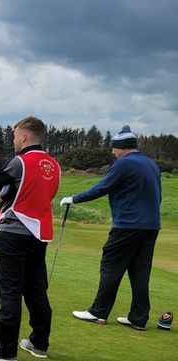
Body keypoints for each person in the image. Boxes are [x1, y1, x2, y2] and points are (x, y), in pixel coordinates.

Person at [0, 116, 61, 361]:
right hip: (39, 234)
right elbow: (35, 192)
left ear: (24, 136)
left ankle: (6, 350)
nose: (13, 140)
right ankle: (38, 342)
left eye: (14, 135)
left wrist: (3, 191)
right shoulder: (54, 165)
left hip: (13, 233)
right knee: (36, 290)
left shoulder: (20, 161)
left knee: (10, 292)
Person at [63, 125, 161, 331]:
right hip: (151, 226)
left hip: (127, 226)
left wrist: (74, 199)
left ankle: (98, 312)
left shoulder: (124, 164)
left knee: (111, 266)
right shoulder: (151, 164)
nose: (113, 153)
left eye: (114, 148)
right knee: (140, 272)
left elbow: (102, 187)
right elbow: (157, 196)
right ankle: (138, 318)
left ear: (122, 148)